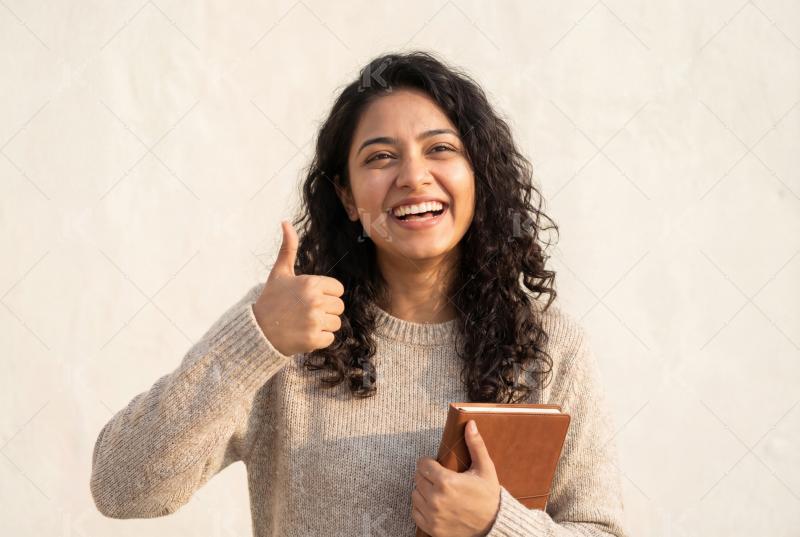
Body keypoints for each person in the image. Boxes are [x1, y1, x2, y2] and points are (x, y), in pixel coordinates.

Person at [89, 50, 630, 537]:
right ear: (347, 197)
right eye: (379, 157)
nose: (414, 177)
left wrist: (497, 524)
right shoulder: (285, 326)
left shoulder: (550, 344)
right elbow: (122, 489)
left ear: (478, 175)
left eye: (440, 148)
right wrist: (254, 343)